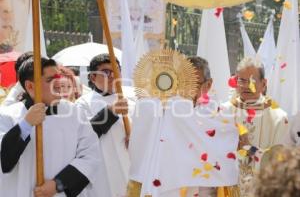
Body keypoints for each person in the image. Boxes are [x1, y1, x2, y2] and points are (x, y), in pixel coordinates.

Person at [127, 56, 239, 197]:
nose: (186, 90)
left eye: (194, 84)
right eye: (182, 83)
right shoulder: (162, 111)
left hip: (201, 189)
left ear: (208, 85)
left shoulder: (217, 115)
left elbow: (225, 151)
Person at [0, 57, 101, 197]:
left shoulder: (75, 113)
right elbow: (4, 162)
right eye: (50, 80)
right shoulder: (7, 115)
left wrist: (58, 184)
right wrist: (25, 125)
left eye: (58, 77)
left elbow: (91, 156)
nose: (58, 84)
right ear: (30, 86)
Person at [222, 57, 289, 196]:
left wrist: (250, 149)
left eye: (252, 80)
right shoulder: (223, 112)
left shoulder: (279, 118)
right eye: (242, 80)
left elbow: (281, 164)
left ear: (264, 84)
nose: (246, 86)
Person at [75, 53, 132, 197]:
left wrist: (136, 136)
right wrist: (111, 111)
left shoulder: (132, 97)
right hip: (102, 170)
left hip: (130, 164)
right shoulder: (83, 103)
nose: (113, 75)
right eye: (106, 72)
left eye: (116, 70)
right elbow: (84, 135)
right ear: (93, 77)